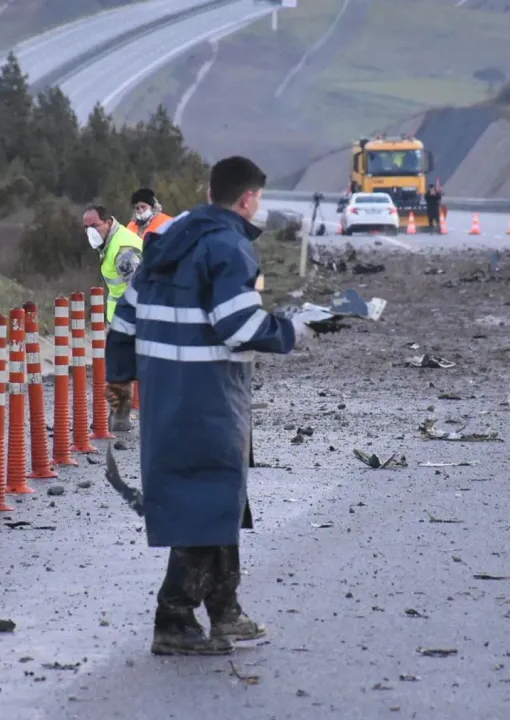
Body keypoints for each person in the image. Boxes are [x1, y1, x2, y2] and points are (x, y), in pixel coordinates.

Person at [103, 155, 314, 656]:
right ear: (247, 199)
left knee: (215, 501)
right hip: (210, 397)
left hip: (166, 398)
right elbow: (239, 327)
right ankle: (173, 619)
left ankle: (225, 612)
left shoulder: (162, 245)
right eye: (258, 200)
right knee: (206, 501)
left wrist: (121, 381)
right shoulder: (228, 248)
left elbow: (124, 325)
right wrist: (293, 329)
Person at [83, 204, 143, 431]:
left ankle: (121, 420)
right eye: (86, 227)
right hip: (123, 319)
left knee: (125, 371)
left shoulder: (123, 251)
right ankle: (120, 420)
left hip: (133, 320)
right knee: (122, 371)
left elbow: (140, 290)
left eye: (95, 226)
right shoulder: (111, 243)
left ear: (108, 222)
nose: (90, 231)